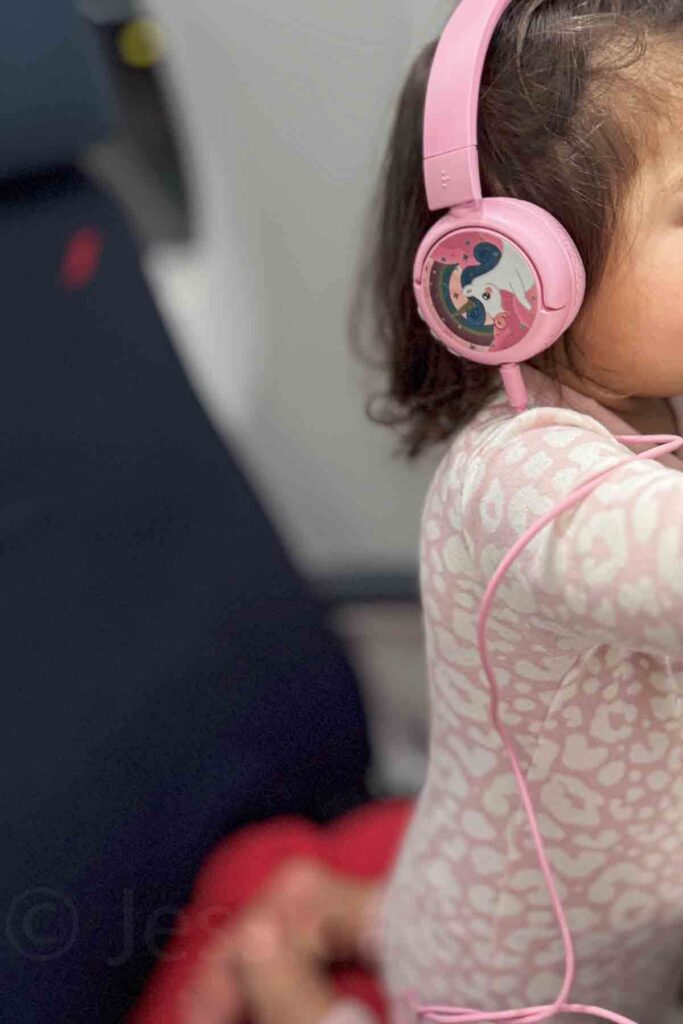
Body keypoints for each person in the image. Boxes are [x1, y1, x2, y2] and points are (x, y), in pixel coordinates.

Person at [132, 1, 683, 1022]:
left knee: (430, 907)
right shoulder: (522, 482)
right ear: (521, 274)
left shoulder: (650, 398)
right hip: (520, 972)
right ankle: (281, 982)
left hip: (582, 907)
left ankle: (333, 908)